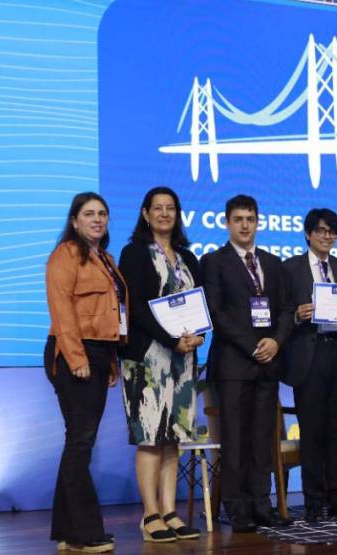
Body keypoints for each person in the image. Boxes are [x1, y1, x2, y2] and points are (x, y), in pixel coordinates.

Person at [202, 194, 294, 532]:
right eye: (238, 219)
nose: (244, 225)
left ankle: (261, 503)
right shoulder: (214, 261)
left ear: (258, 222)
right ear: (227, 222)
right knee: (236, 440)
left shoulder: (272, 263)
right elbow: (216, 312)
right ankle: (237, 508)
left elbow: (285, 309)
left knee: (261, 438)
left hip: (268, 363)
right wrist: (252, 345)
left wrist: (276, 341)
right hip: (233, 364)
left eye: (250, 219)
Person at [118, 187, 203, 542]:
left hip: (183, 360)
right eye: (158, 208)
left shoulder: (188, 257)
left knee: (173, 440)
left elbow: (200, 305)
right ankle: (150, 514)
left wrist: (197, 336)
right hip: (147, 358)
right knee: (151, 438)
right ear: (145, 213)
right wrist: (172, 339)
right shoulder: (133, 253)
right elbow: (135, 307)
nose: (165, 214)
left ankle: (170, 511)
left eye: (171, 208)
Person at [44, 192, 127, 553]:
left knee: (78, 440)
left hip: (99, 352)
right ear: (75, 221)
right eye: (89, 214)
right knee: (81, 441)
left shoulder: (105, 259)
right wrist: (77, 357)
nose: (97, 219)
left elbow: (112, 314)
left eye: (102, 214)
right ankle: (84, 533)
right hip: (73, 351)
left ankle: (67, 531)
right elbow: (61, 307)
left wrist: (109, 361)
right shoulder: (66, 254)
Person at [281, 208, 337, 522]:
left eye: (331, 231)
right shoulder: (291, 268)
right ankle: (314, 502)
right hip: (308, 356)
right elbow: (282, 311)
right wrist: (295, 315)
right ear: (307, 234)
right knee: (313, 432)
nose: (326, 236)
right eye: (320, 230)